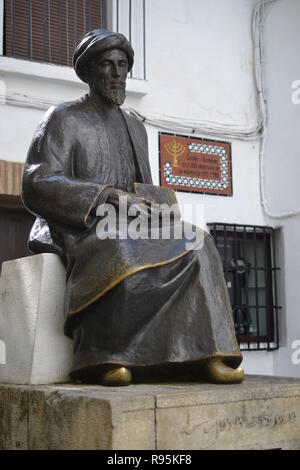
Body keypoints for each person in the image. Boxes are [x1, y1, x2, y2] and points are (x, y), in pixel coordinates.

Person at [22, 29, 244, 386]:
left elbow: (144, 187)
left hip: (135, 221)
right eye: (107, 65)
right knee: (120, 247)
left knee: (199, 242)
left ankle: (207, 352)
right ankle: (104, 356)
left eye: (122, 65)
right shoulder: (62, 118)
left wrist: (156, 207)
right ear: (89, 72)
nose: (116, 73)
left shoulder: (135, 128)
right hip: (84, 225)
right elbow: (37, 182)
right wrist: (106, 196)